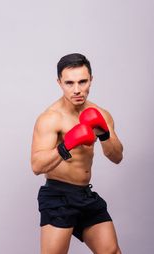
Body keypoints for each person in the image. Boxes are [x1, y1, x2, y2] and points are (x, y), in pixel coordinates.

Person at [31, 53, 123, 254]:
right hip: (58, 196)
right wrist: (67, 144)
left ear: (91, 79)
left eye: (82, 82)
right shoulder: (50, 118)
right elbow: (37, 166)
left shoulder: (101, 114)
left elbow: (117, 157)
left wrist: (105, 133)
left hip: (85, 195)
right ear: (59, 83)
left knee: (112, 252)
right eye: (69, 83)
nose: (77, 90)